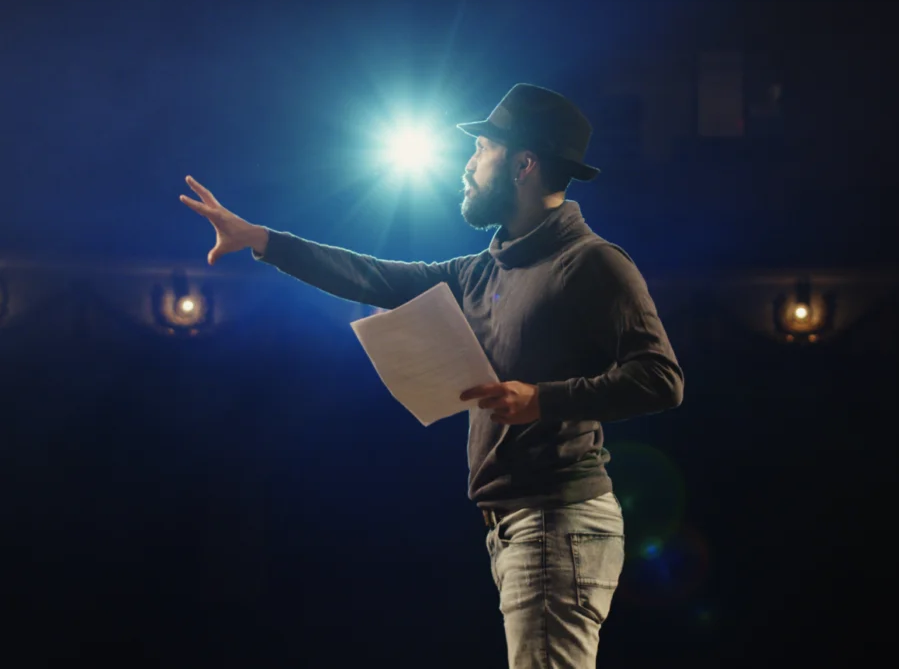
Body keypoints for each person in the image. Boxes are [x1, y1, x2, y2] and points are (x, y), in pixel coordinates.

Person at [179, 83, 684, 669]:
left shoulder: (593, 263)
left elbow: (661, 378)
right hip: (517, 526)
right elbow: (371, 277)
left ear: (524, 164)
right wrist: (263, 241)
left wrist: (541, 400)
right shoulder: (478, 272)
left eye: (483, 150)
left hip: (558, 521)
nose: (467, 166)